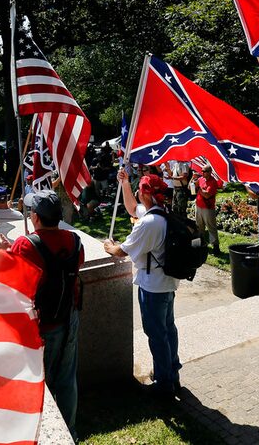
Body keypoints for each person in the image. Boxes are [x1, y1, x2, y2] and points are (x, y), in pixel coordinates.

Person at [0, 190, 84, 438]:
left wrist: (7, 250)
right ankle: (70, 432)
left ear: (35, 216)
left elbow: (15, 280)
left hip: (42, 327)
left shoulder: (26, 244)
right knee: (67, 378)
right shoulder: (74, 240)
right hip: (69, 317)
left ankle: (44, 435)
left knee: (40, 386)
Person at [104, 173, 181, 399]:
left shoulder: (149, 223)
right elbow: (131, 208)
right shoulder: (161, 213)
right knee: (168, 330)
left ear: (146, 193)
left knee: (156, 334)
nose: (137, 193)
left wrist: (109, 245)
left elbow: (121, 251)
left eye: (139, 189)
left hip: (152, 287)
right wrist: (125, 183)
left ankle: (164, 385)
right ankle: (172, 373)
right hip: (167, 283)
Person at [193, 165, 220, 256]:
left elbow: (207, 195)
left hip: (208, 209)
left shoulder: (213, 182)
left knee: (211, 227)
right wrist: (192, 180)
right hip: (198, 206)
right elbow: (191, 188)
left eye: (204, 171)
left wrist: (199, 189)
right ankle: (202, 244)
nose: (202, 173)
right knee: (199, 226)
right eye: (202, 171)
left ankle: (215, 247)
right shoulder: (200, 179)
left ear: (209, 172)